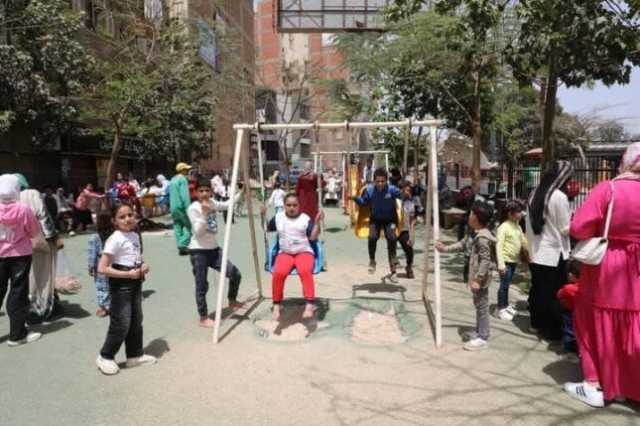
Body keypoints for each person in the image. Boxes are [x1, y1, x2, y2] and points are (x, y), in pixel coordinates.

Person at [564, 143, 640, 407]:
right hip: (636, 269)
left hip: (607, 266)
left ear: (625, 162)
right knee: (631, 326)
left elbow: (579, 227)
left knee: (591, 321)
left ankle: (594, 383)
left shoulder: (609, 189)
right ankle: (624, 386)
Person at [95, 203, 156, 375]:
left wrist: (143, 265)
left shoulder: (134, 235)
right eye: (122, 217)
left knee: (136, 320)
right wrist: (127, 275)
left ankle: (134, 355)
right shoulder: (115, 239)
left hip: (135, 282)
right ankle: (105, 356)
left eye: (130, 214)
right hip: (121, 284)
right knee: (121, 322)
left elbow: (136, 256)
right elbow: (102, 268)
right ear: (114, 221)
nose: (128, 219)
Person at [436, 201, 496, 351]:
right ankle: (479, 331)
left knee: (482, 306)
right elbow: (462, 244)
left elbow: (485, 261)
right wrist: (445, 249)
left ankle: (483, 337)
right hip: (475, 275)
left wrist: (478, 280)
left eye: (471, 214)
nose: (469, 216)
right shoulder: (473, 233)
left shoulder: (483, 238)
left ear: (477, 218)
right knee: (478, 304)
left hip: (480, 278)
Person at [525, 160, 573, 341]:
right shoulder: (558, 196)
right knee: (554, 293)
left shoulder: (534, 193)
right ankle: (552, 331)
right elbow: (565, 228)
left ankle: (536, 324)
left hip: (536, 251)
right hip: (553, 254)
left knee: (538, 290)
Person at [187, 178, 243, 328]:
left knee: (235, 273)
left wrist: (242, 192)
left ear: (211, 192)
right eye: (201, 191)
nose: (205, 194)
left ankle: (232, 300)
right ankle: (203, 317)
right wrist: (204, 213)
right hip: (198, 251)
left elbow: (228, 204)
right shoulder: (193, 208)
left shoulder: (212, 203)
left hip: (214, 249)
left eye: (207, 190)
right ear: (196, 193)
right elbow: (198, 232)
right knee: (202, 285)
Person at [263, 193, 323, 321]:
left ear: (299, 206)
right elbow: (267, 229)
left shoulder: (304, 219)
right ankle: (277, 304)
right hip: (285, 253)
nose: (291, 208)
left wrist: (317, 223)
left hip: (303, 252)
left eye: (294, 205)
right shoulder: (278, 217)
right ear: (284, 206)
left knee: (305, 270)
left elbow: (313, 237)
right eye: (288, 205)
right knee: (279, 273)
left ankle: (309, 304)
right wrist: (263, 216)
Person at [0, 174, 42, 346]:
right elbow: (33, 232)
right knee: (18, 292)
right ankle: (17, 335)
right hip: (20, 256)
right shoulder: (23, 209)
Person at [15, 174, 62, 321]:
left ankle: (26, 308)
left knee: (27, 276)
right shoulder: (31, 193)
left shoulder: (6, 198)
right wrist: (53, 237)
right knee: (43, 274)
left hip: (18, 245)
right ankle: (41, 308)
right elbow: (43, 215)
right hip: (39, 240)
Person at [352, 168, 401, 282]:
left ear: (386, 181)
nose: (380, 184)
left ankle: (393, 268)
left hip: (390, 220)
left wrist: (406, 193)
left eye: (382, 181)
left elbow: (402, 195)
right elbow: (364, 202)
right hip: (375, 219)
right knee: (372, 237)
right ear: (374, 181)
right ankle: (372, 261)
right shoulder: (369, 190)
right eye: (377, 181)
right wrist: (356, 199)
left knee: (392, 238)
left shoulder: (392, 190)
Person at [495, 200, 529, 321]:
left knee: (507, 284)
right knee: (504, 286)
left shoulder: (517, 226)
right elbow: (498, 246)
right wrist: (501, 264)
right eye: (518, 212)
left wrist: (529, 251)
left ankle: (505, 305)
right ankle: (500, 309)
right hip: (505, 261)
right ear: (510, 213)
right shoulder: (503, 227)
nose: (521, 214)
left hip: (513, 261)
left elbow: (523, 241)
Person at [88, 210, 112, 317]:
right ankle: (113, 305)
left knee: (101, 287)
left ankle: (103, 307)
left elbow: (92, 254)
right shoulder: (114, 235)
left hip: (100, 265)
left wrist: (91, 266)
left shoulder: (95, 237)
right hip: (113, 264)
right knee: (112, 285)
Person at [556, 260, 580, 361]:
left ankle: (569, 352)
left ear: (571, 274)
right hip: (581, 314)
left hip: (569, 312)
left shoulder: (569, 288)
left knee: (568, 332)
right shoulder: (586, 287)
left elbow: (559, 294)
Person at [169, 163, 192, 256]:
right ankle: (182, 244)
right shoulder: (182, 179)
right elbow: (185, 196)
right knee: (188, 225)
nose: (187, 171)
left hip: (173, 206)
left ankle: (180, 245)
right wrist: (188, 208)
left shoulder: (172, 179)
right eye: (186, 169)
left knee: (177, 225)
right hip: (181, 207)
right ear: (183, 170)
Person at [399, 181, 417, 279]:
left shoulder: (410, 204)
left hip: (404, 230)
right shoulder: (395, 201)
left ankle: (409, 267)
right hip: (393, 229)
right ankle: (393, 268)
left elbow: (412, 221)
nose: (407, 192)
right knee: (391, 247)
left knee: (409, 249)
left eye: (409, 191)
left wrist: (412, 235)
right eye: (405, 190)